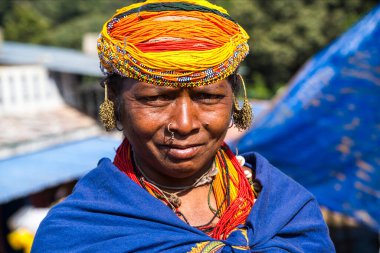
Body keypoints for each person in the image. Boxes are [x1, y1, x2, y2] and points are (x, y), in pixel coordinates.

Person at [32, 0, 335, 252]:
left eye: (208, 97)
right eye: (157, 99)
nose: (185, 123)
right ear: (116, 104)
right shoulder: (77, 232)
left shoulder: (287, 213)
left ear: (234, 100)